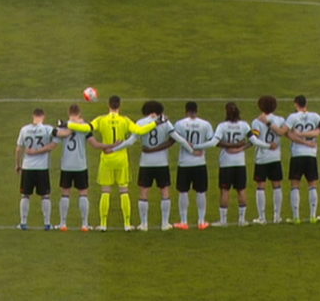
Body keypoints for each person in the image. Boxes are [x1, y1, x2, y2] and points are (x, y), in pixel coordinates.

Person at [66, 95, 161, 231]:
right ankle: (127, 224)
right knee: (124, 191)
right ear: (120, 105)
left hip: (106, 159)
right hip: (121, 160)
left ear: (108, 105)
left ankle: (103, 224)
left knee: (105, 191)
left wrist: (68, 124)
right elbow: (140, 131)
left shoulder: (101, 119)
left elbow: (86, 128)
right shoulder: (125, 121)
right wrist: (155, 123)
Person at [110, 101, 194, 231]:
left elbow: (130, 142)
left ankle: (144, 224)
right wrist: (192, 150)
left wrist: (114, 149)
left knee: (144, 192)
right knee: (165, 191)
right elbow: (179, 139)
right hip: (162, 162)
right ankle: (165, 223)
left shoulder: (141, 123)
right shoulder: (165, 122)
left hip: (146, 163)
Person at [53, 104, 116, 231]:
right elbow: (95, 144)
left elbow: (54, 142)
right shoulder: (85, 127)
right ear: (79, 113)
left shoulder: (63, 126)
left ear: (69, 112)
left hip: (66, 165)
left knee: (65, 193)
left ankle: (63, 223)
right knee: (83, 194)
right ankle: (85, 224)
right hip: (81, 165)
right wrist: (112, 145)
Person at [279, 95, 320, 224]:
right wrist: (308, 142)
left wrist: (299, 136)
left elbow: (286, 133)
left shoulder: (292, 117)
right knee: (313, 185)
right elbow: (319, 132)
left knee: (295, 185)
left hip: (297, 155)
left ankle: (296, 217)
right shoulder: (315, 116)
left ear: (296, 104)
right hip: (311, 155)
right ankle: (313, 216)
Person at [173, 101, 217, 230]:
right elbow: (212, 141)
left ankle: (184, 221)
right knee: (201, 192)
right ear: (197, 110)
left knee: (183, 192)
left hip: (184, 163)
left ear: (186, 111)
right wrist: (199, 149)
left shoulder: (179, 124)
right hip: (200, 163)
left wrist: (191, 149)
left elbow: (178, 140)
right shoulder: (205, 124)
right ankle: (202, 221)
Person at [14, 108, 59, 230]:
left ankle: (23, 223)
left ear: (33, 116)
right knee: (45, 195)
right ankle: (47, 223)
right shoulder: (47, 129)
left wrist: (18, 165)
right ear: (43, 116)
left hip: (27, 167)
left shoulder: (24, 129)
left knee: (25, 195)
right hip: (42, 167)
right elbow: (53, 144)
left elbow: (19, 149)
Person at [211, 102, 251, 227]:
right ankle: (242, 220)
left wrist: (229, 146)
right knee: (241, 189)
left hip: (226, 162)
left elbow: (216, 142)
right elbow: (253, 139)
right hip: (240, 162)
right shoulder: (244, 125)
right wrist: (241, 147)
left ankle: (223, 221)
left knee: (225, 190)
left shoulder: (222, 126)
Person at [249, 95, 286, 224]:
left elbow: (255, 140)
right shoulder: (280, 120)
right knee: (277, 186)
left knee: (261, 187)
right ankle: (277, 216)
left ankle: (262, 217)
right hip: (276, 158)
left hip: (262, 158)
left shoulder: (257, 121)